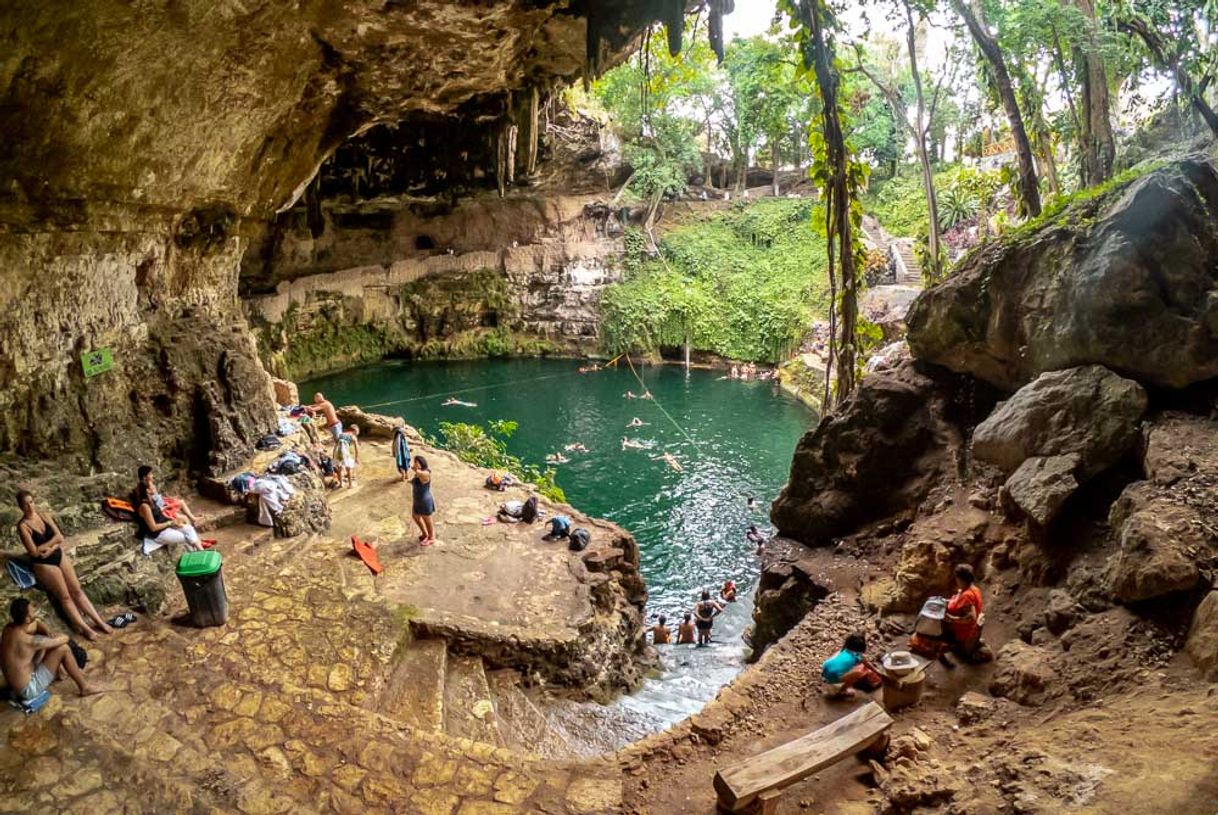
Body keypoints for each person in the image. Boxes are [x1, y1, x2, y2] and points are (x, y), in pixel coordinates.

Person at [14, 491, 113, 641]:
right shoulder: (23, 526)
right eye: (26, 504)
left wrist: (50, 548)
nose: (30, 506)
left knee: (77, 590)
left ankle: (99, 621)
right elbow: (33, 552)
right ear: (21, 507)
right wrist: (50, 546)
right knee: (65, 597)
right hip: (43, 563)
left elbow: (60, 536)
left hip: (56, 554)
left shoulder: (44, 515)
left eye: (31, 502)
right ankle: (85, 629)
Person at [1, 598, 106, 700]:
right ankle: (85, 687)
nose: (34, 610)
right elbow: (64, 639)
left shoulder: (8, 629)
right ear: (27, 619)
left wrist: (47, 631)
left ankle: (61, 673)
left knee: (46, 643)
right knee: (63, 649)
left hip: (15, 684)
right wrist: (56, 636)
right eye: (32, 611)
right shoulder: (29, 641)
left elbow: (36, 624)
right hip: (28, 690)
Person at [135, 467, 203, 554]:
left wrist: (172, 521)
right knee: (185, 537)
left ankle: (202, 552)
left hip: (166, 526)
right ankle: (196, 554)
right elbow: (153, 528)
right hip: (159, 534)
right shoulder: (145, 506)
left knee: (189, 529)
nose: (154, 489)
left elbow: (160, 510)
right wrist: (170, 523)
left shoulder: (151, 500)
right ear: (148, 491)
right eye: (152, 488)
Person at [821, 632, 882, 697]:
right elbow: (868, 665)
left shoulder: (844, 649)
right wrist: (877, 671)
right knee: (859, 673)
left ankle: (826, 676)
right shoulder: (858, 657)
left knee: (839, 657)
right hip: (832, 678)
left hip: (825, 668)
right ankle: (843, 691)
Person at [944, 564, 986, 658]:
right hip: (973, 629)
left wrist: (952, 619)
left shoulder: (967, 595)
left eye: (957, 578)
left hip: (966, 633)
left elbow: (971, 617)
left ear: (960, 579)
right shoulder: (974, 588)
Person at [408, 455, 436, 546]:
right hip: (417, 500)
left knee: (427, 519)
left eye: (417, 462)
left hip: (425, 501)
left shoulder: (426, 473)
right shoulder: (418, 473)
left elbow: (421, 474)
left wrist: (415, 469)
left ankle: (431, 537)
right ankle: (425, 533)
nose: (415, 464)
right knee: (415, 516)